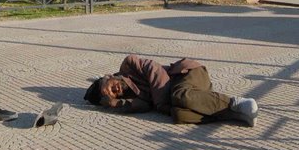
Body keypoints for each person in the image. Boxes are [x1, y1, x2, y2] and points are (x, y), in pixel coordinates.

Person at [84, 54, 258, 127]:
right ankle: (234, 113)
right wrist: (116, 103)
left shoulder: (129, 65)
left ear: (108, 76)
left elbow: (153, 69)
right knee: (178, 115)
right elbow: (143, 106)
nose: (115, 90)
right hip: (193, 95)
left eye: (108, 87)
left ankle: (236, 102)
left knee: (178, 96)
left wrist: (161, 103)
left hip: (188, 74)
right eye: (113, 94)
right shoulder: (132, 97)